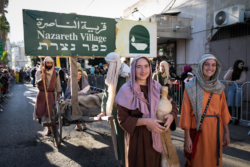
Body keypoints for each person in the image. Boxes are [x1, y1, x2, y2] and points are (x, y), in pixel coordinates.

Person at [115, 55, 178, 167]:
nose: (143, 70)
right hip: (136, 140)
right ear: (133, 69)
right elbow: (122, 119)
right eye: (139, 67)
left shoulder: (156, 87)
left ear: (150, 68)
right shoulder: (126, 90)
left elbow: (172, 104)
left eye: (146, 66)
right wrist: (146, 121)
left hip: (157, 138)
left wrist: (172, 116)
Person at [179, 54, 231, 167]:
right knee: (198, 161)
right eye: (206, 64)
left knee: (213, 161)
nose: (210, 68)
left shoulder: (218, 87)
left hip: (216, 131)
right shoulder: (191, 87)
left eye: (213, 65)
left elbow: (223, 112)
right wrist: (187, 138)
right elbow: (186, 114)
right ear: (201, 66)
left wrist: (227, 132)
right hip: (198, 130)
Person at [97, 52, 130, 167]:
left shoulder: (127, 75)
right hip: (116, 114)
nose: (107, 67)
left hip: (129, 115)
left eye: (108, 64)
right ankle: (123, 162)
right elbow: (106, 94)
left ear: (113, 63)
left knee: (130, 140)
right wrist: (103, 111)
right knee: (119, 138)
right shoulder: (110, 75)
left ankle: (130, 162)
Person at [33, 57, 62, 136]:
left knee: (51, 112)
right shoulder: (39, 72)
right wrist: (41, 79)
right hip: (42, 94)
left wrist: (58, 96)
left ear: (53, 63)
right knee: (43, 111)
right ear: (44, 63)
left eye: (50, 63)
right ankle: (48, 129)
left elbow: (58, 86)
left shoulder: (55, 73)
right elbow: (36, 83)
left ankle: (53, 128)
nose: (49, 64)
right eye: (47, 63)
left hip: (51, 94)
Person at [223, 60, 247, 125]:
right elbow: (225, 78)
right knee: (230, 103)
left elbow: (243, 80)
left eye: (242, 64)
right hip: (231, 88)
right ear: (237, 64)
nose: (242, 65)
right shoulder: (232, 69)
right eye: (240, 64)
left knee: (237, 103)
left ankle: (237, 119)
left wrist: (234, 82)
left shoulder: (242, 71)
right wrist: (230, 71)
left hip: (239, 88)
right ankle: (229, 118)